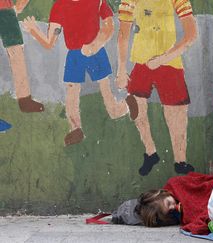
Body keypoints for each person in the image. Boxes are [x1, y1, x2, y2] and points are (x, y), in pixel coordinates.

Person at [22, 0, 138, 146]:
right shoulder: (59, 6)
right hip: (75, 55)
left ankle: (126, 105)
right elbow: (49, 42)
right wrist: (34, 30)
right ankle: (75, 128)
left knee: (112, 108)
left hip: (96, 51)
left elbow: (109, 27)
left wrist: (94, 45)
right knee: (71, 94)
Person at [117, 0, 198, 175]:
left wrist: (162, 59)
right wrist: (121, 69)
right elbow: (123, 34)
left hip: (170, 62)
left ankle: (180, 161)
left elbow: (191, 35)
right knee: (136, 105)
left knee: (176, 111)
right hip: (141, 60)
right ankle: (150, 152)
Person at [0, 0, 44, 112]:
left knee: (16, 54)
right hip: (5, 11)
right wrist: (18, 7)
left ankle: (25, 100)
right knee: (16, 53)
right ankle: (24, 100)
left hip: (5, 11)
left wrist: (18, 7)